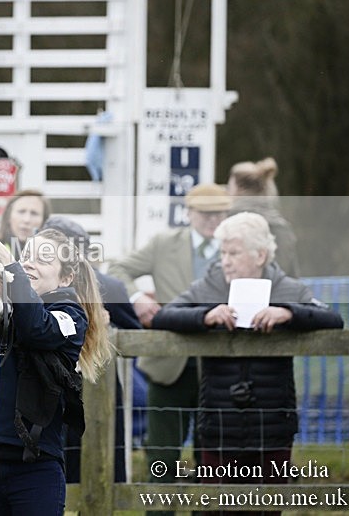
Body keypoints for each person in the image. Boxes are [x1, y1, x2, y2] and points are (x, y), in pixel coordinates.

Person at [152, 212, 343, 516]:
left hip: (273, 426)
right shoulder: (209, 286)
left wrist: (288, 313)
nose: (225, 260)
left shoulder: (287, 288)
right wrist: (204, 316)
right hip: (219, 424)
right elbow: (164, 317)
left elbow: (333, 319)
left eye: (233, 253)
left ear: (261, 255)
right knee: (215, 508)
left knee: (266, 508)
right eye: (223, 252)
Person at [0, 228, 112, 515]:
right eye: (26, 256)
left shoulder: (71, 316)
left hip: (34, 469)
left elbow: (37, 328)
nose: (28, 263)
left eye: (43, 259)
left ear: (66, 278)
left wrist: (11, 266)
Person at [106, 183, 231, 513]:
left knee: (214, 457)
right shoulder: (164, 244)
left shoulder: (234, 246)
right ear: (189, 213)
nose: (212, 220)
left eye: (219, 213)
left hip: (221, 367)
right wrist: (137, 298)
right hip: (167, 364)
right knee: (161, 454)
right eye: (205, 213)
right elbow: (118, 270)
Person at [41, 215, 143, 484]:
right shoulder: (31, 282)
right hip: (49, 384)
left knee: (94, 463)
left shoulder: (109, 286)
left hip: (97, 384)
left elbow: (137, 338)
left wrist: (105, 330)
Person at [227, 156, 300, 277]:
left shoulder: (228, 224)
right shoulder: (281, 225)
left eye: (230, 187)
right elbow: (292, 273)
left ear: (239, 189)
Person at [0, 189, 52, 260]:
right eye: (21, 211)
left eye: (34, 213)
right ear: (8, 216)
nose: (26, 220)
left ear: (44, 221)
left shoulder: (51, 255)